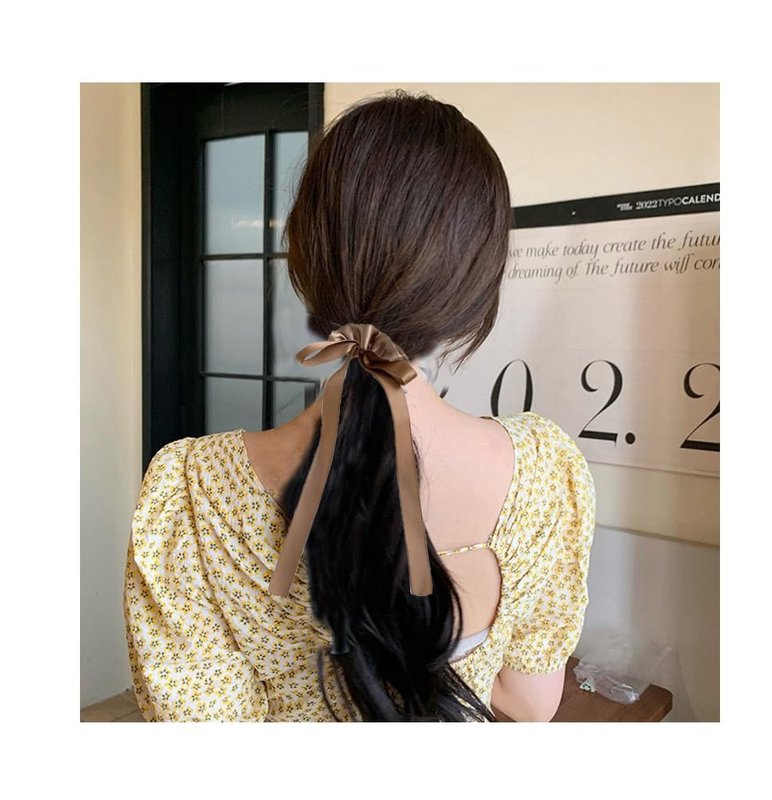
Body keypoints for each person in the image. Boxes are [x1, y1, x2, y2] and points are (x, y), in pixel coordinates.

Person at [123, 89, 596, 722]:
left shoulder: (193, 494)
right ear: (479, 286)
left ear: (304, 261)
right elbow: (528, 703)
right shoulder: (546, 472)